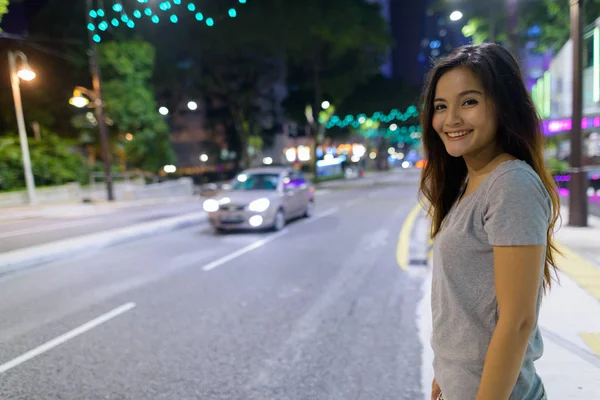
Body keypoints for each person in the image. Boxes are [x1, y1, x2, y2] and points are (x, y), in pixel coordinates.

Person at [418, 43, 561, 400]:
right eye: (440, 106)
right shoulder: (470, 182)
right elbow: (465, 305)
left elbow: (517, 322)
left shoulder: (510, 185)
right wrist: (447, 374)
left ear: (503, 105)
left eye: (469, 102)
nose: (450, 119)